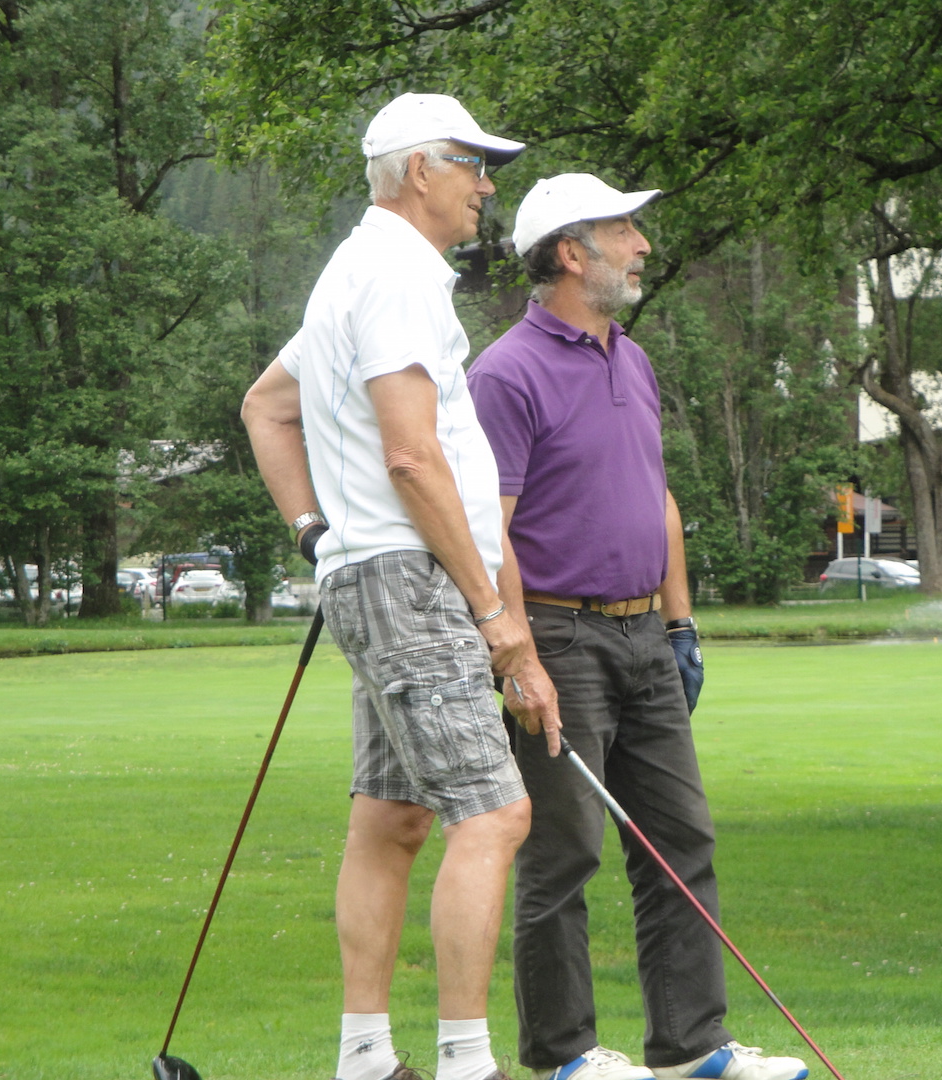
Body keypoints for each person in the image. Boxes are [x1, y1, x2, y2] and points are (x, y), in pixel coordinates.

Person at [241, 93, 560, 1080]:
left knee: (393, 817)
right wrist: (498, 615)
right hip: (413, 576)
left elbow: (268, 405)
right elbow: (415, 460)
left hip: (373, 569)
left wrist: (314, 534)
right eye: (473, 165)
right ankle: (467, 1063)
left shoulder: (353, 272)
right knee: (493, 813)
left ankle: (367, 1060)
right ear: (421, 172)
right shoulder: (397, 277)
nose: (487, 186)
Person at [466, 174, 808, 1080]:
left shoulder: (633, 356)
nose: (642, 246)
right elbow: (487, 528)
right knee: (564, 852)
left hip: (645, 637)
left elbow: (657, 497)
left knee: (680, 841)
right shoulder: (504, 374)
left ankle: (692, 1048)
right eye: (624, 230)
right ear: (571, 254)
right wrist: (518, 650)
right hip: (558, 638)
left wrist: (681, 620)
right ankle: (566, 1055)